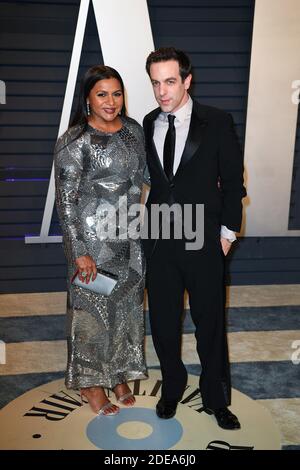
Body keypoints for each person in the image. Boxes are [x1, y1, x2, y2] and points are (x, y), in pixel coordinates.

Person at [143, 47, 246, 429]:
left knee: (210, 325)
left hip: (205, 241)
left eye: (170, 81)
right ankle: (172, 387)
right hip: (160, 241)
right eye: (155, 83)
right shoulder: (148, 121)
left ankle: (216, 398)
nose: (162, 91)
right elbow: (155, 184)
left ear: (187, 80)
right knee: (164, 324)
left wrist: (226, 235)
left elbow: (234, 183)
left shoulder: (217, 122)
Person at [54, 65, 147, 416]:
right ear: (88, 99)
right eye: (102, 94)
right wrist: (79, 252)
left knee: (125, 311)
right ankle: (91, 384)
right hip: (92, 244)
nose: (111, 101)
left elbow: (150, 175)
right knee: (91, 315)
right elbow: (65, 201)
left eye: (117, 93)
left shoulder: (134, 132)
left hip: (131, 240)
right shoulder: (75, 139)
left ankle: (118, 373)